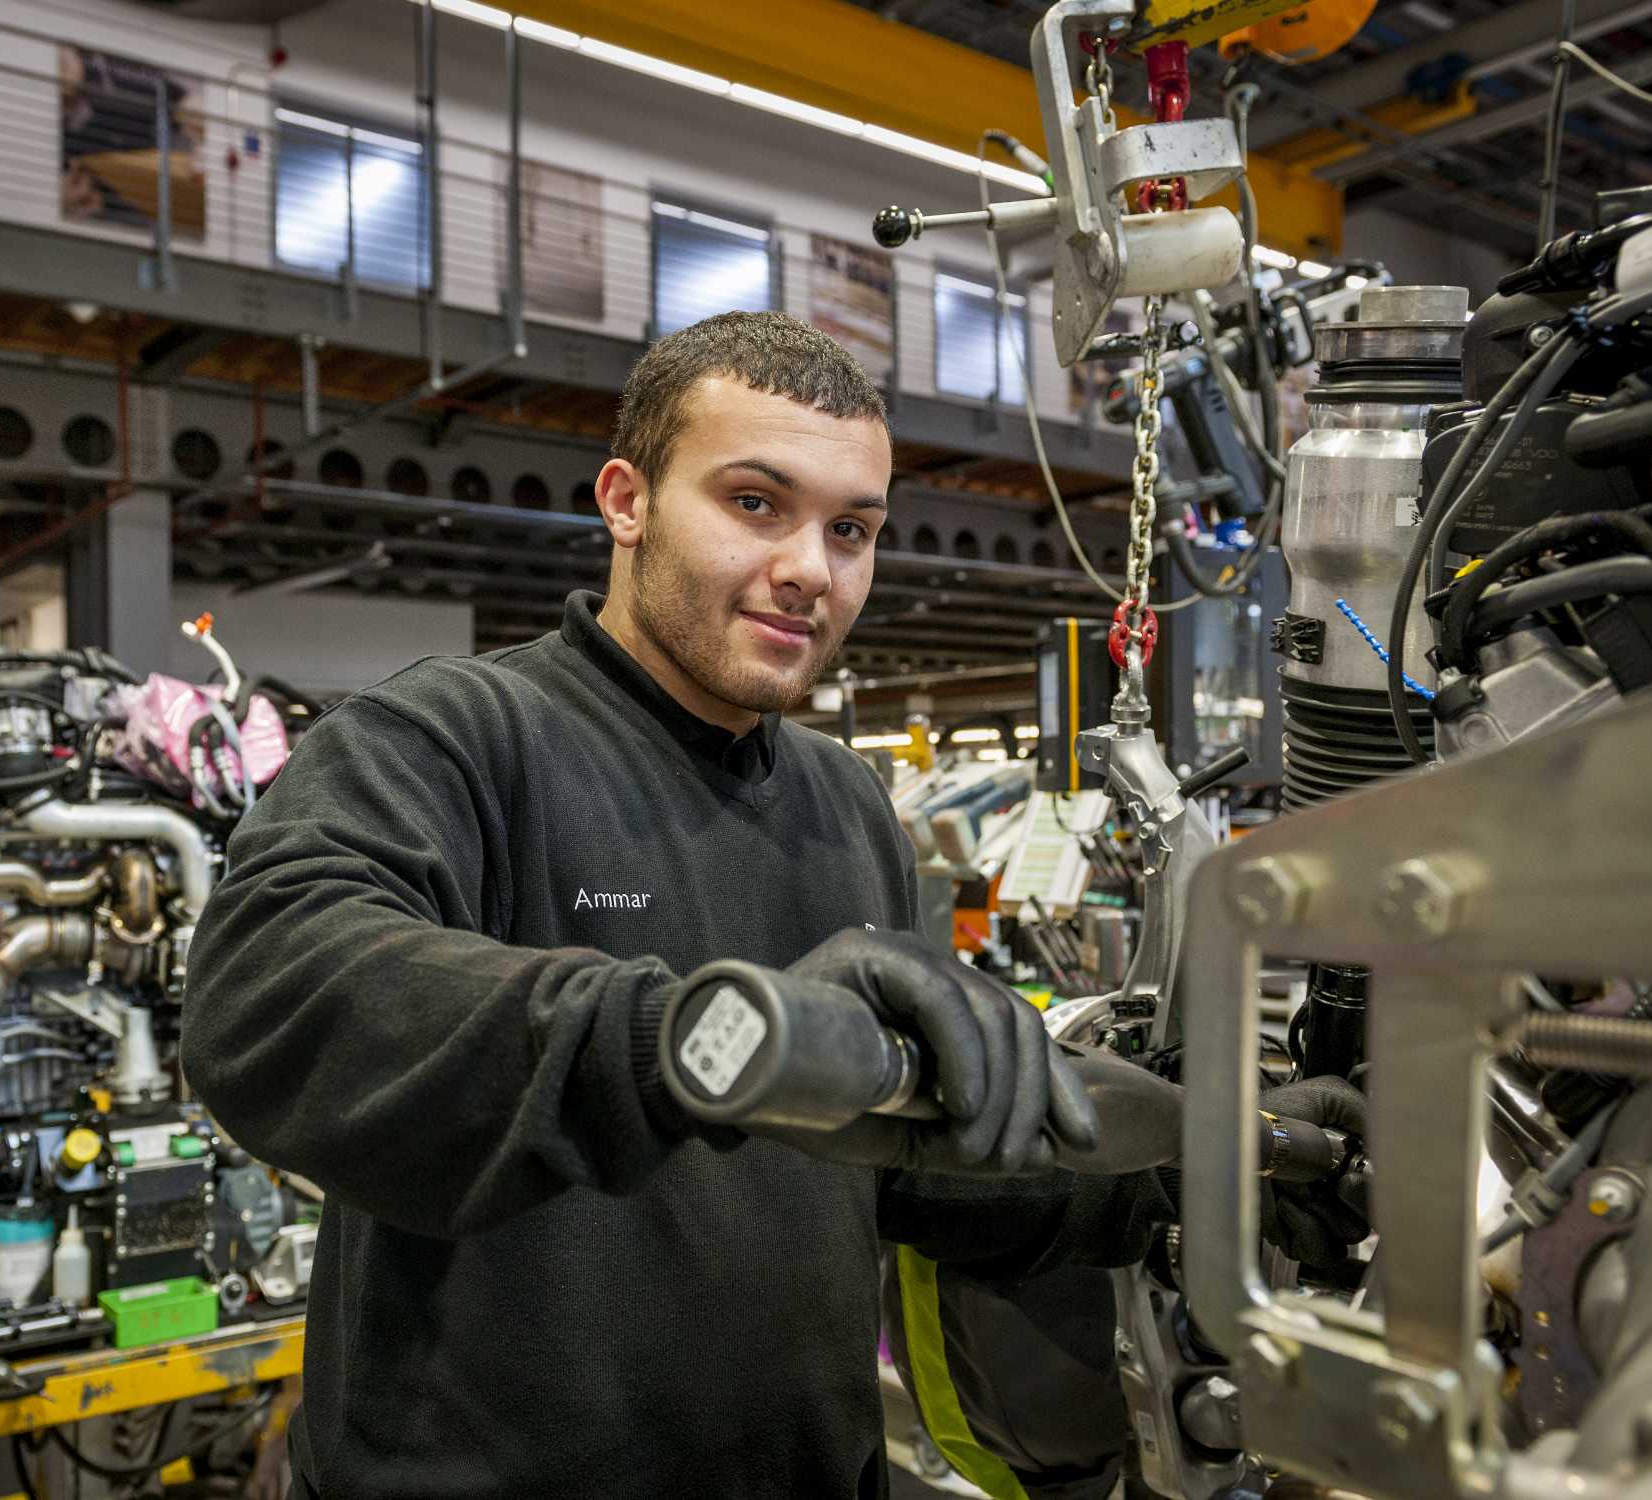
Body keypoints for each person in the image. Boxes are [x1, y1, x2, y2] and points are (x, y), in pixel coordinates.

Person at [185, 312, 1189, 1498]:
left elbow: (915, 1163)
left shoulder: (844, 802)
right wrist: (695, 1043)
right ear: (627, 501)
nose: (813, 568)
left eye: (851, 529)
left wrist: (1205, 1175)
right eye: (757, 503)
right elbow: (271, 993)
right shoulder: (454, 738)